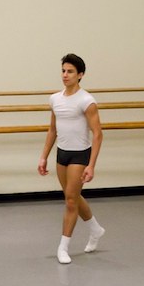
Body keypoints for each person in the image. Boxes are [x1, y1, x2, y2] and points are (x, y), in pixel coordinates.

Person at [38, 53, 105, 265]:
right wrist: (43, 157)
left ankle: (63, 246)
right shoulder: (55, 99)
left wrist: (92, 165)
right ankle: (95, 229)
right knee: (72, 196)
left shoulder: (87, 101)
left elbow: (97, 133)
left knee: (69, 200)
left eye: (70, 72)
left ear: (80, 75)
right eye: (63, 71)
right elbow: (52, 130)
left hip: (80, 154)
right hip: (62, 153)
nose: (65, 75)